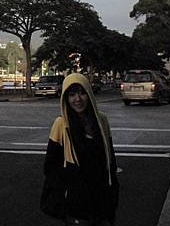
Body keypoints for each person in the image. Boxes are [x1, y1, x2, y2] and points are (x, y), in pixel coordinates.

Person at [41, 73, 119, 226]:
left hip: (102, 197)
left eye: (82, 93)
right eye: (71, 95)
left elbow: (110, 157)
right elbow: (51, 166)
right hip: (76, 203)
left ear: (89, 94)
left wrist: (113, 189)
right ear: (65, 98)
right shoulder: (61, 124)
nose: (77, 99)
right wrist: (67, 189)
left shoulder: (101, 120)